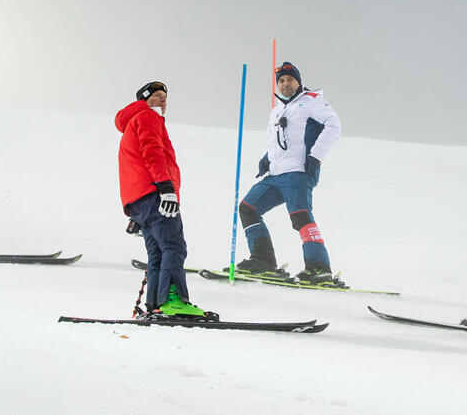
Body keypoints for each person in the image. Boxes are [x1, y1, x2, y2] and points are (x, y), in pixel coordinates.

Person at [233, 62, 343, 286]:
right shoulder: (277, 110)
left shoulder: (311, 101)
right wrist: (267, 159)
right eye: (281, 81)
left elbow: (334, 125)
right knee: (248, 208)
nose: (285, 84)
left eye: (289, 79)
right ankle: (263, 260)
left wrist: (316, 156)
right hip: (276, 174)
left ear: (298, 82)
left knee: (300, 216)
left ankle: (319, 269)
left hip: (298, 172)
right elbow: (281, 141)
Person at [115, 81, 211, 318]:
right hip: (154, 193)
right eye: (157, 96)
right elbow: (153, 152)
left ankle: (156, 303)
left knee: (158, 252)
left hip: (140, 199)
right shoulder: (147, 117)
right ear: (143, 100)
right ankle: (173, 301)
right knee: (174, 246)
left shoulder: (134, 122)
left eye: (165, 96)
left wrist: (140, 213)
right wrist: (166, 187)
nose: (163, 100)